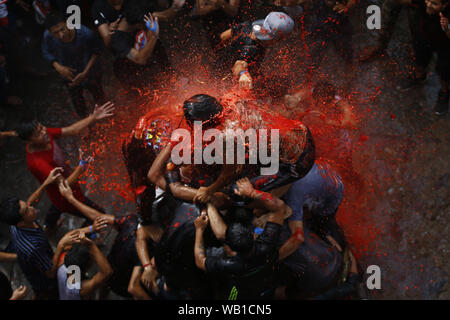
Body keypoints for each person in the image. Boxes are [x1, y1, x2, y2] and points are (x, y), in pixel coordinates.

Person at [15, 102, 114, 231]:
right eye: (38, 133)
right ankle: (87, 239)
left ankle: (49, 227)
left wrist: (93, 117)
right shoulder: (38, 162)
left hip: (56, 190)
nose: (44, 131)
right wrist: (81, 167)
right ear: (30, 140)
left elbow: (71, 130)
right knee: (98, 214)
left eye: (41, 127)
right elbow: (65, 186)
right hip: (66, 196)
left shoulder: (44, 135)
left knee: (55, 203)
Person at [194, 178, 290, 299]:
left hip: (239, 291)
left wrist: (199, 230)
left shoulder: (229, 265)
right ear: (252, 235)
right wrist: (251, 192)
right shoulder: (267, 244)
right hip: (265, 284)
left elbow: (200, 260)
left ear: (228, 246)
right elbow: (279, 206)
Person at [0, 172, 82, 299]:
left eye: (26, 205)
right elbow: (50, 273)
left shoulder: (16, 224)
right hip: (45, 281)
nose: (31, 208)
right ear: (21, 223)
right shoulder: (33, 247)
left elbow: (30, 201)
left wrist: (46, 183)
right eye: (27, 210)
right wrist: (61, 245)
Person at [42, 11, 106, 118]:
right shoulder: (48, 36)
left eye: (62, 29)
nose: (60, 35)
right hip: (69, 75)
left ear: (68, 23)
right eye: (55, 33)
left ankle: (107, 114)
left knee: (98, 94)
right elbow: (46, 51)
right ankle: (84, 123)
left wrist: (85, 73)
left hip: (90, 71)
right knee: (77, 101)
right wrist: (58, 67)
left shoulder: (85, 34)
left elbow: (97, 52)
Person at [216, 11, 295, 90]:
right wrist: (243, 74)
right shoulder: (252, 49)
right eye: (281, 39)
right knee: (281, 85)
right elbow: (238, 64)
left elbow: (223, 36)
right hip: (227, 77)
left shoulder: (247, 25)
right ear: (276, 39)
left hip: (220, 63)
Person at [109, 0, 172, 96]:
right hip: (130, 73)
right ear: (138, 24)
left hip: (147, 65)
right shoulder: (118, 40)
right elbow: (140, 59)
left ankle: (171, 76)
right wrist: (154, 35)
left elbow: (163, 16)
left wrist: (176, 7)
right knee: (144, 100)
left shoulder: (134, 11)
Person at [57, 231, 113, 300]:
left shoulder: (62, 266)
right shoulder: (76, 289)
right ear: (88, 266)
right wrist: (92, 246)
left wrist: (91, 228)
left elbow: (66, 237)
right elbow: (107, 272)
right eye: (92, 256)